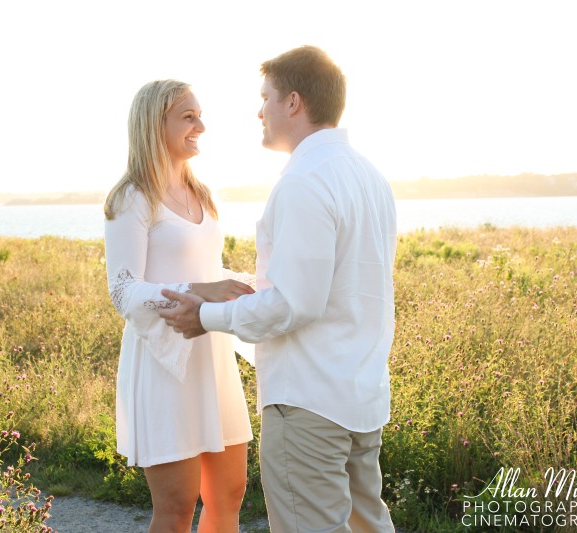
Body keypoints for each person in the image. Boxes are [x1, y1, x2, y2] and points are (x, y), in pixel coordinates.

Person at [159, 46, 398, 532]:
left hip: (308, 402)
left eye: (265, 97)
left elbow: (295, 303)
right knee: (368, 525)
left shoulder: (304, 182)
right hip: (361, 397)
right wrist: (245, 288)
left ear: (293, 103)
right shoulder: (370, 177)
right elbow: (337, 287)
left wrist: (205, 317)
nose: (259, 110)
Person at [103, 79, 255, 533]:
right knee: (175, 510)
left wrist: (251, 285)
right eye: (188, 117)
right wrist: (201, 289)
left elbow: (208, 269)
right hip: (164, 365)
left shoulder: (202, 194)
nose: (201, 126)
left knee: (229, 495)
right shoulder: (132, 197)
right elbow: (123, 290)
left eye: (199, 116)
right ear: (156, 123)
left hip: (213, 356)